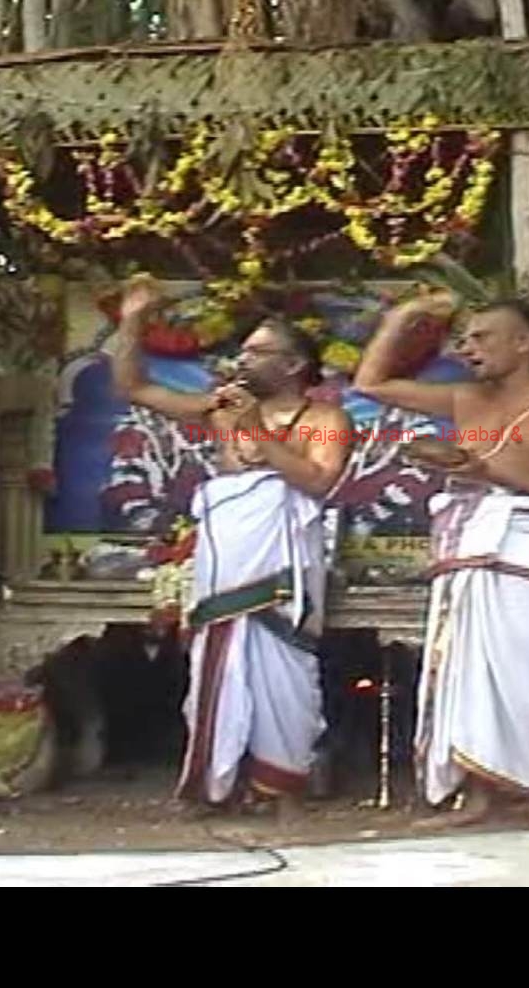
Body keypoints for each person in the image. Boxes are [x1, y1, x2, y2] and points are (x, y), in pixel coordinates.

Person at [356, 295, 529, 830]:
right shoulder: (464, 399)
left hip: (526, 548)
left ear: (524, 342)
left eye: (482, 337)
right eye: (464, 339)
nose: (468, 349)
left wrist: (490, 472)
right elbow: (371, 385)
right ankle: (477, 798)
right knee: (466, 672)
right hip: (468, 546)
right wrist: (405, 315)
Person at [113, 279, 352, 818]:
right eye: (242, 350)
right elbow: (134, 387)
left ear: (293, 365)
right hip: (228, 560)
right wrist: (132, 320)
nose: (242, 359)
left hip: (284, 568)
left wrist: (254, 430)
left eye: (258, 352)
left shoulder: (325, 420)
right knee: (216, 665)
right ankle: (215, 784)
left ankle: (281, 788)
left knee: (286, 670)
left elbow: (318, 481)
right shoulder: (218, 408)